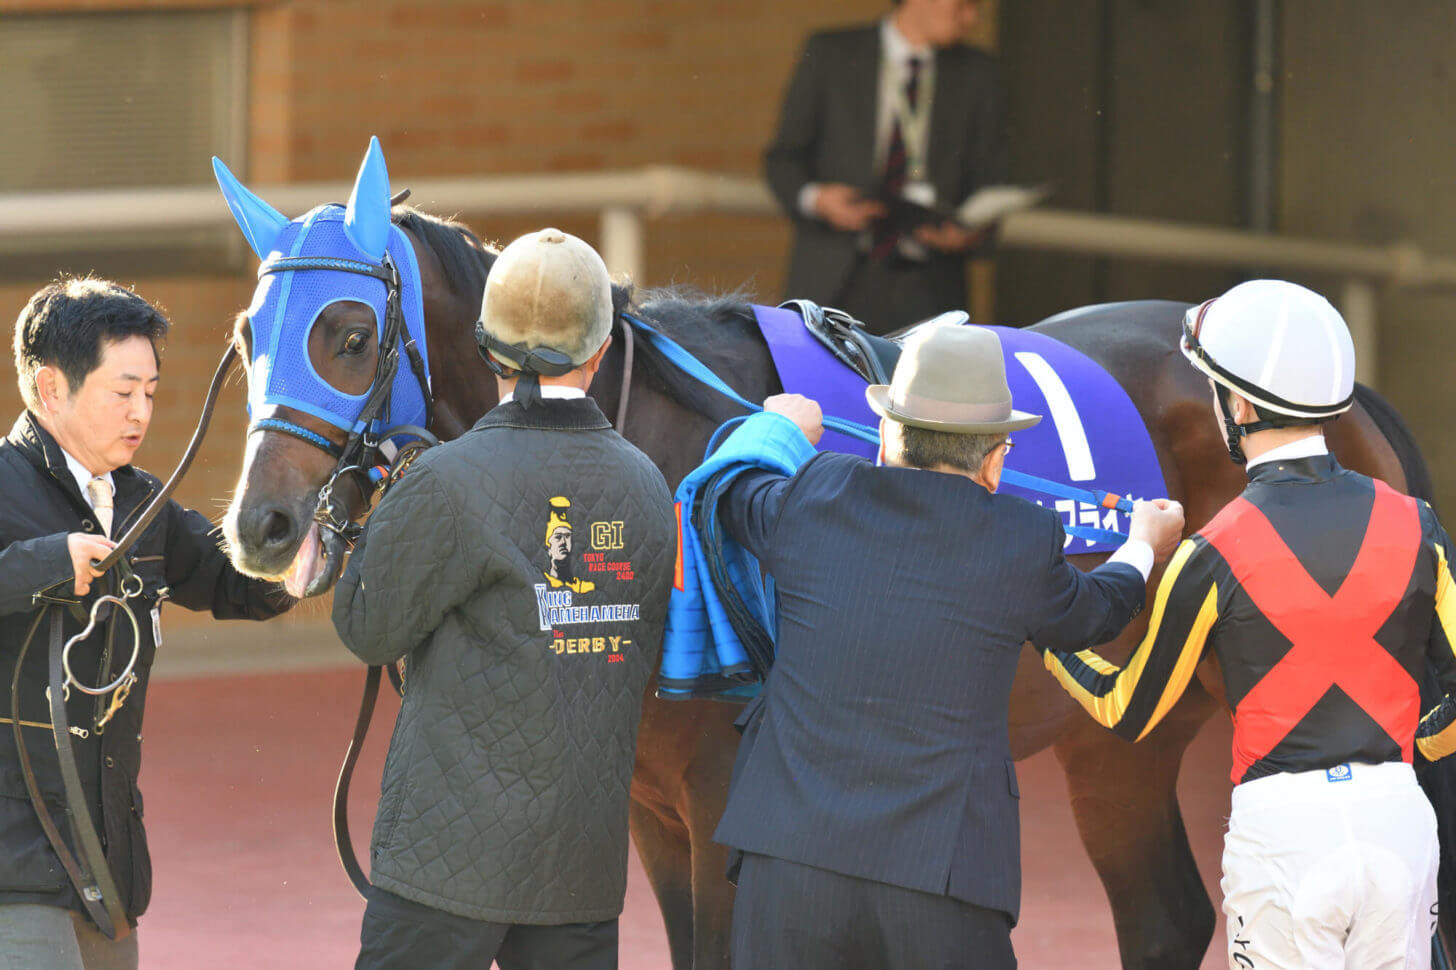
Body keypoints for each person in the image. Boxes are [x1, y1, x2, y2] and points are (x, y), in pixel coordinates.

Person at [704, 324, 1185, 969]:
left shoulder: (813, 495)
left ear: (884, 434)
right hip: (943, 876)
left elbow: (730, 491)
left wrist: (782, 429)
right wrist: (1144, 544)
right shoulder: (1021, 537)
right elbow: (1094, 614)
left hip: (790, 865)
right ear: (995, 460)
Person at [1041, 280, 1456, 969]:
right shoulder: (1418, 525)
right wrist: (1409, 750)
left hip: (1284, 835)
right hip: (1399, 824)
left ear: (1235, 404)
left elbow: (1128, 710)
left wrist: (1052, 634)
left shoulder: (1211, 553)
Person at [333, 228, 675, 970]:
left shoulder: (446, 480)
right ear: (600, 350)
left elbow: (366, 628)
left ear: (487, 348)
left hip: (443, 862)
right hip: (578, 869)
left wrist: (388, 512)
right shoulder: (649, 486)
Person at [0, 277, 295, 970]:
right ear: (51, 389)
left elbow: (240, 582)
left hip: (108, 865)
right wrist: (43, 563)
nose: (142, 412)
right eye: (122, 391)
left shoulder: (143, 503)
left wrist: (309, 534)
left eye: (152, 393)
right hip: (12, 861)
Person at [764, 0, 1007, 335]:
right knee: (820, 385)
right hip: (835, 273)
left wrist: (969, 230)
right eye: (964, 5)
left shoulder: (978, 72)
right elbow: (783, 159)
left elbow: (990, 176)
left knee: (926, 387)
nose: (972, 18)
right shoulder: (831, 53)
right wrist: (818, 199)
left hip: (931, 284)